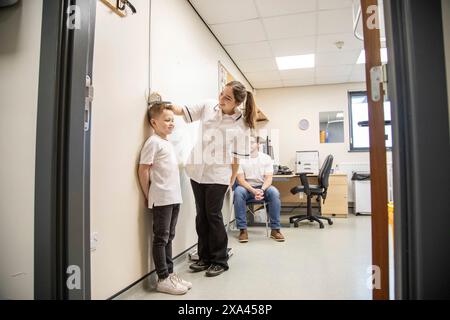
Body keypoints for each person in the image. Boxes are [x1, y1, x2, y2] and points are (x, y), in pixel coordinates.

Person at [169, 81, 255, 277]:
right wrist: (167, 106)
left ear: (238, 103)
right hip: (197, 170)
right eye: (221, 94)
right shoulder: (209, 106)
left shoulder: (242, 124)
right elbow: (182, 110)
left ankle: (219, 260)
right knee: (201, 215)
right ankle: (204, 257)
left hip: (218, 174)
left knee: (213, 215)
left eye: (227, 98)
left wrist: (231, 179)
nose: (221, 99)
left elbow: (236, 157)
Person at [138, 102, 192, 295]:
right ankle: (162, 278)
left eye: (173, 120)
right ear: (154, 122)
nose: (171, 123)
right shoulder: (152, 142)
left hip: (174, 197)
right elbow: (143, 169)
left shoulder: (166, 142)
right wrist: (147, 195)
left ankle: (170, 274)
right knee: (161, 238)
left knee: (169, 237)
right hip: (161, 198)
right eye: (167, 120)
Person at [234, 136, 285, 243]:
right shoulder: (240, 159)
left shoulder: (266, 158)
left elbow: (268, 178)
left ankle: (275, 230)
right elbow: (241, 180)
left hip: (263, 187)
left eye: (252, 142)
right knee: (238, 192)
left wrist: (261, 190)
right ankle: (243, 230)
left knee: (274, 192)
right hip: (246, 188)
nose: (249, 144)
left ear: (257, 144)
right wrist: (253, 190)